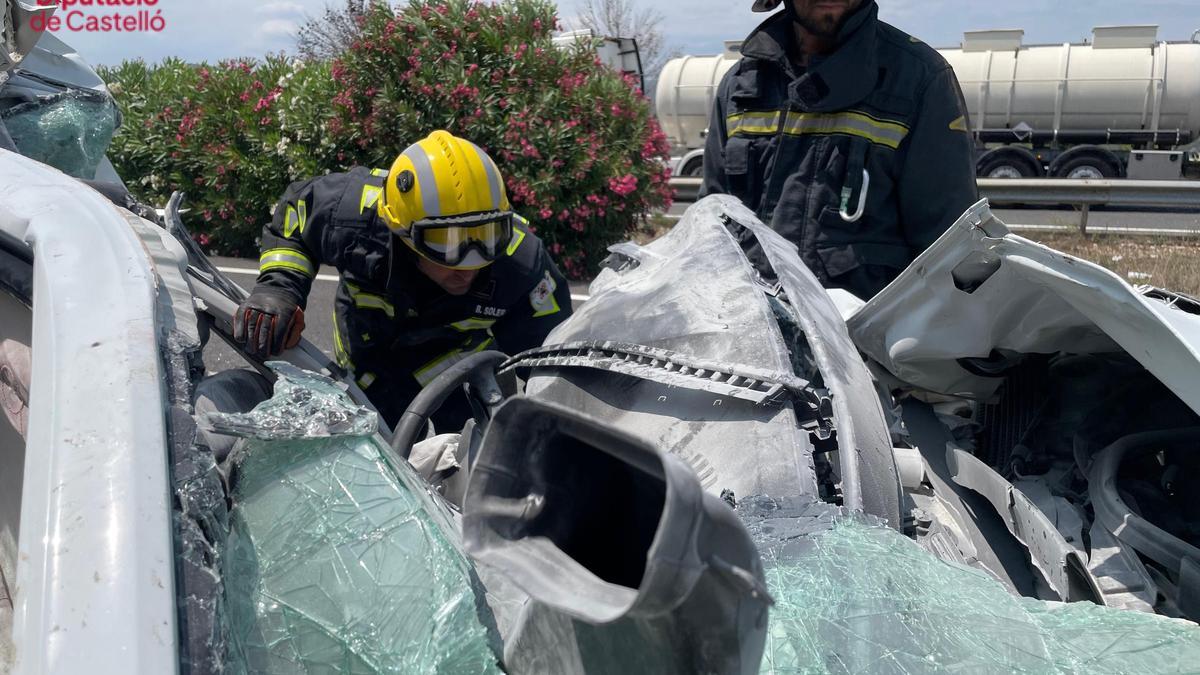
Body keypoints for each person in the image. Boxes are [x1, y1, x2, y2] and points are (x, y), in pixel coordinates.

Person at [233, 130, 572, 429]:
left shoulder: (524, 265)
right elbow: (296, 213)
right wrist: (279, 287)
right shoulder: (352, 213)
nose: (468, 266)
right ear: (401, 230)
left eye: (486, 236)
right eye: (447, 243)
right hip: (358, 370)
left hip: (447, 392)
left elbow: (550, 364)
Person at [700, 0, 978, 300]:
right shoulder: (740, 86)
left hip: (863, 345)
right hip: (751, 338)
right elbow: (708, 233)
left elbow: (950, 257)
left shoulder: (918, 80)